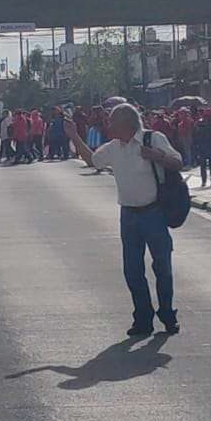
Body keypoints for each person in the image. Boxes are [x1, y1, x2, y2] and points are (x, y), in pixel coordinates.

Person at [66, 103, 184, 337]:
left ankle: (167, 314)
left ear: (127, 123)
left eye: (112, 121)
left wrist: (156, 156)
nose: (108, 126)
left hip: (154, 213)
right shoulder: (113, 148)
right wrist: (75, 137)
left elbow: (177, 162)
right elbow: (92, 160)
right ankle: (143, 318)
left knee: (162, 267)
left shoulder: (152, 139)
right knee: (132, 270)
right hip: (128, 215)